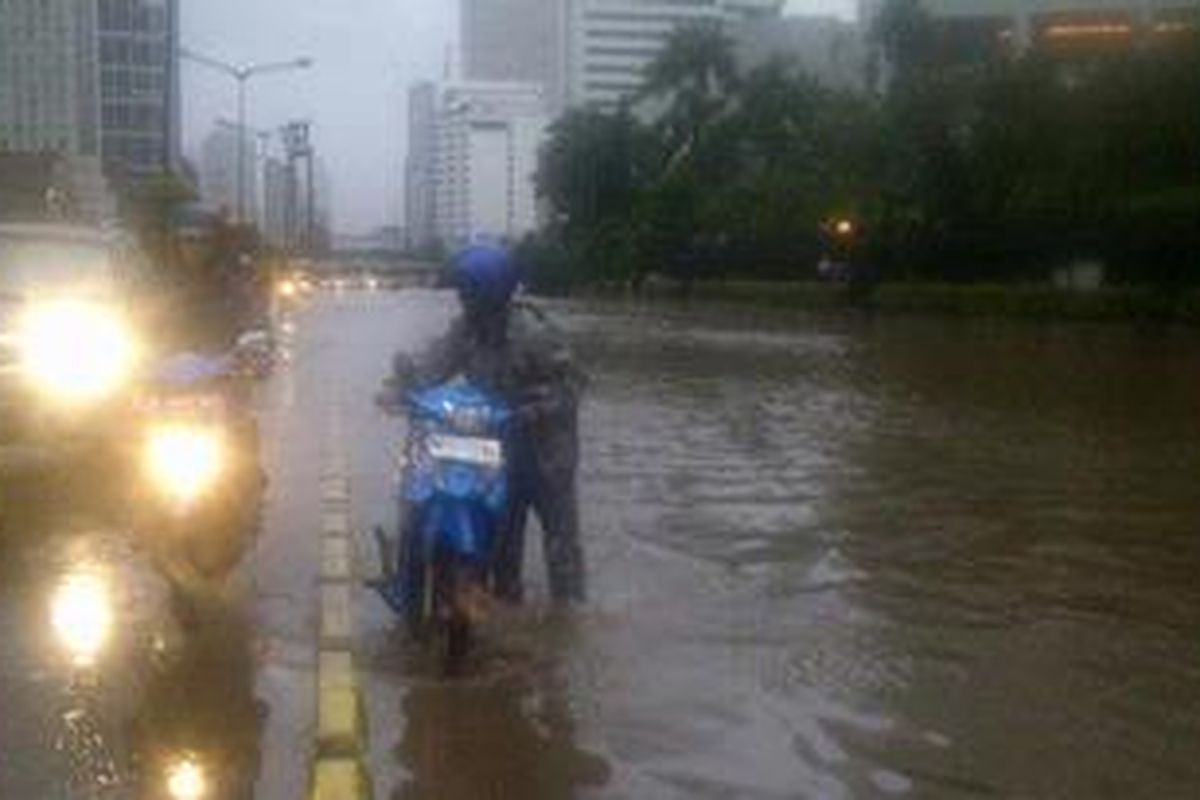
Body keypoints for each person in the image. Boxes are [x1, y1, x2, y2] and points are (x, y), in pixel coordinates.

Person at [384, 239, 587, 605]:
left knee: (562, 548)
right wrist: (401, 385)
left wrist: (533, 410)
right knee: (502, 548)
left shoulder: (535, 335)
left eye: (468, 293)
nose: (462, 300)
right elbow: (433, 364)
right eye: (462, 293)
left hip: (548, 457)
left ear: (491, 293)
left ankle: (569, 624)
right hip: (497, 452)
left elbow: (574, 385)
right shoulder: (467, 330)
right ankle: (505, 621)